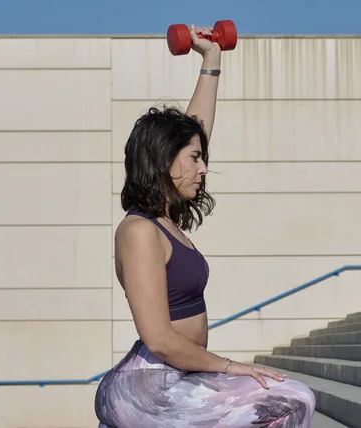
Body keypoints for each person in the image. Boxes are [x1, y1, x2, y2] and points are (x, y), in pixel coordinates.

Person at [94, 24, 316, 428]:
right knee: (291, 400)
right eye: (194, 159)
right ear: (164, 160)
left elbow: (193, 131)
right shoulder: (139, 231)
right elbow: (159, 337)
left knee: (285, 397)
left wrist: (211, 60)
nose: (204, 168)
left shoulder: (165, 219)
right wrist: (230, 367)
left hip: (176, 376)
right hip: (149, 384)